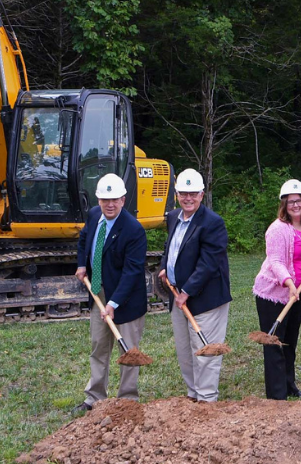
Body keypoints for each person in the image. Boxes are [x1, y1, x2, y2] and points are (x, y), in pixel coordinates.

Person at [74, 173, 149, 413]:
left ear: (123, 200)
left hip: (126, 298)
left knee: (127, 350)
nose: (110, 204)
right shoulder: (95, 216)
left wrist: (113, 303)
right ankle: (94, 397)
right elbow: (84, 238)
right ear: (98, 200)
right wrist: (82, 264)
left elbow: (132, 271)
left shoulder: (134, 230)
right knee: (98, 345)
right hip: (99, 291)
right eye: (105, 199)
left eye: (115, 199)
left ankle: (127, 399)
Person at [159, 169, 233, 402]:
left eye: (193, 193)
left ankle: (207, 398)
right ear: (177, 195)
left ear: (202, 195)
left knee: (206, 352)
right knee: (185, 351)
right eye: (183, 193)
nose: (188, 198)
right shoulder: (173, 217)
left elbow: (209, 263)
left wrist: (187, 291)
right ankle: (193, 395)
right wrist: (164, 267)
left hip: (206, 299)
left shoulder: (213, 223)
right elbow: (170, 247)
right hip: (178, 298)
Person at [251, 179, 301, 400]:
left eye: (299, 201)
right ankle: (277, 395)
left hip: (298, 293)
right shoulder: (277, 229)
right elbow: (276, 261)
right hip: (274, 295)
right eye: (291, 202)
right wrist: (289, 284)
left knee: (290, 342)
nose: (295, 205)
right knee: (274, 344)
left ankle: (290, 386)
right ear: (284, 204)